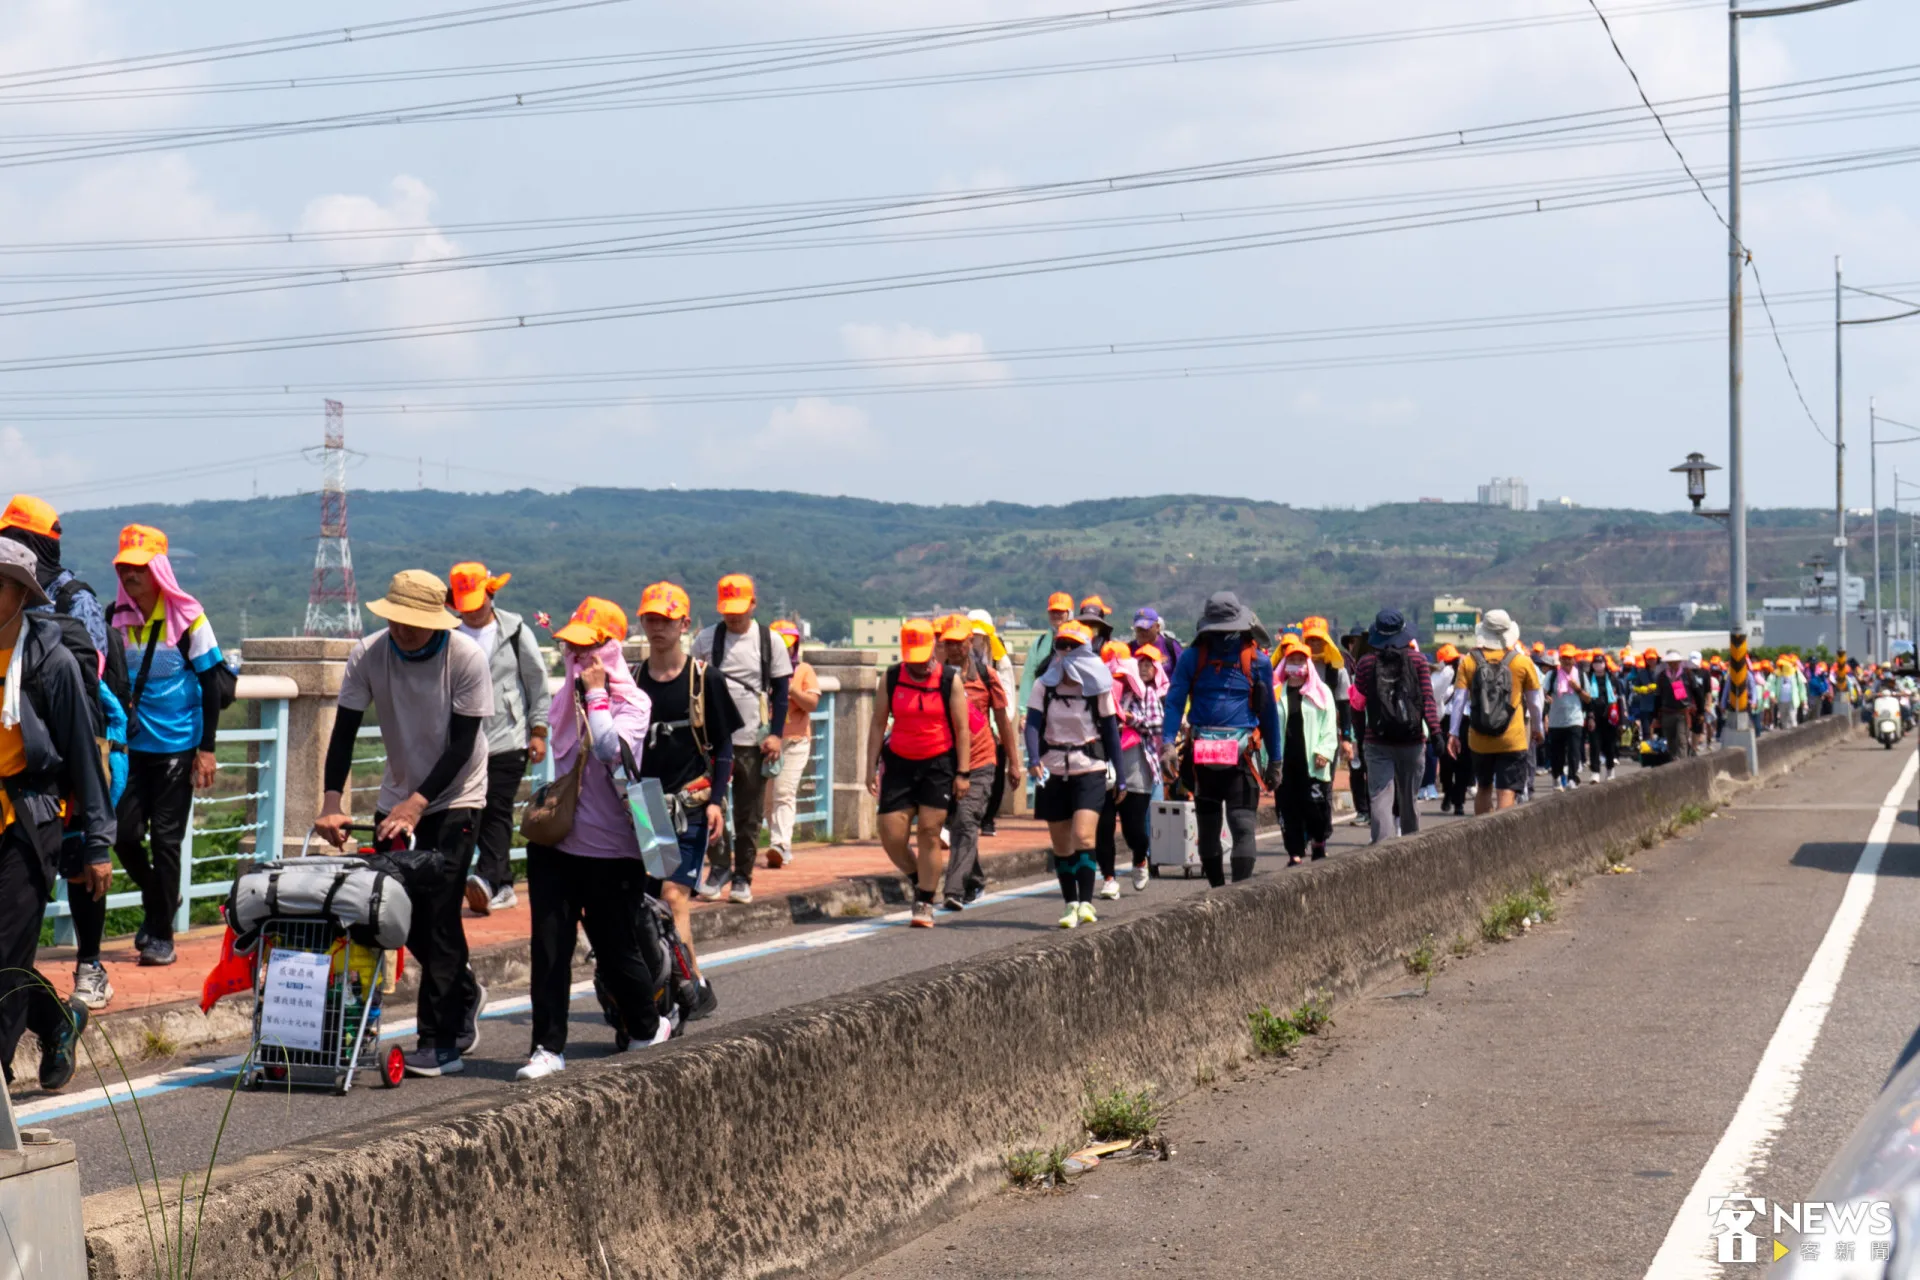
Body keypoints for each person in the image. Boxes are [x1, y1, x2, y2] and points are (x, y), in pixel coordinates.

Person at [315, 570, 492, 1078]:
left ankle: (439, 1042)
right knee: (393, 910)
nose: (404, 631)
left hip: (457, 793)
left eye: (415, 623)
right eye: (397, 620)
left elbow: (461, 746)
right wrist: (331, 801)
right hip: (398, 793)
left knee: (438, 912)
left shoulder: (465, 658)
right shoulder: (369, 654)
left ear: (437, 621)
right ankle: (461, 990)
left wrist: (419, 803)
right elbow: (344, 732)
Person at [514, 597, 673, 1081]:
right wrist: (580, 693)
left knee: (614, 946)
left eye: (590, 648)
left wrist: (598, 694)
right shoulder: (566, 696)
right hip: (558, 845)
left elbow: (608, 749)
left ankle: (649, 1025)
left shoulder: (635, 701)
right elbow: (560, 749)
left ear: (613, 649)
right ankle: (547, 1047)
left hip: (612, 849)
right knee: (550, 946)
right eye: (573, 647)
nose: (579, 657)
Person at [1, 495, 128, 1009]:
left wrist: (97, 831)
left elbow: (85, 694)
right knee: (11, 946)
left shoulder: (74, 601)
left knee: (80, 867)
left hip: (57, 770)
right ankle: (52, 1022)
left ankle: (90, 963)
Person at [108, 524, 226, 968]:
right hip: (131, 746)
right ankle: (161, 904)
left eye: (138, 567)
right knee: (121, 833)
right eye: (123, 566)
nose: (129, 574)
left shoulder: (188, 615)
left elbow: (212, 684)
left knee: (167, 842)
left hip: (178, 744)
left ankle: (162, 935)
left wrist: (207, 748)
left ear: (158, 569)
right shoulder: (113, 617)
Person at [632, 582, 736, 1018]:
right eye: (650, 619)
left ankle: (688, 983)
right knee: (650, 899)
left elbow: (725, 745)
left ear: (683, 624)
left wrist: (716, 799)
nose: (657, 627)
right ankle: (672, 981)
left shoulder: (703, 678)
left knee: (675, 895)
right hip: (647, 803)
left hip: (691, 800)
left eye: (665, 620)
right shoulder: (634, 679)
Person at [449, 562, 551, 917]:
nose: (472, 611)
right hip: (463, 740)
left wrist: (538, 731)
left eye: (477, 602)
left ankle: (489, 880)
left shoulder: (515, 630)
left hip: (508, 738)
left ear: (490, 595)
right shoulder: (448, 634)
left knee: (496, 809)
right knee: (466, 812)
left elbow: (536, 683)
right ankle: (499, 882)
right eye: (466, 604)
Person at [1162, 593, 1280, 887]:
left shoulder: (1258, 661)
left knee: (1241, 825)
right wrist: (1167, 744)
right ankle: (1218, 891)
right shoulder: (1192, 657)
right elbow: (1174, 702)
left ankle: (1235, 894)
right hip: (1205, 756)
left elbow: (1268, 715)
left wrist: (1276, 758)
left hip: (1239, 756)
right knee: (1211, 827)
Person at [692, 574, 792, 906]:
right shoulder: (706, 640)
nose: (734, 616)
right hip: (714, 738)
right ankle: (719, 866)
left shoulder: (770, 641)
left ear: (753, 604)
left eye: (739, 609)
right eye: (727, 610)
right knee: (709, 804)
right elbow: (693, 683)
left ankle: (743, 875)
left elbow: (781, 694)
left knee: (748, 814)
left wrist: (777, 734)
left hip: (754, 739)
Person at [866, 619, 970, 928]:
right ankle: (920, 877)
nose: (919, 664)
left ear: (934, 649)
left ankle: (924, 900)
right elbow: (877, 723)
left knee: (929, 831)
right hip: (899, 762)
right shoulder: (892, 677)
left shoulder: (949, 680)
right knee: (890, 833)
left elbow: (963, 729)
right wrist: (870, 764)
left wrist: (963, 772)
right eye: (913, 658)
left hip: (938, 763)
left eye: (924, 656)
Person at [1027, 621, 1122, 926]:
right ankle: (1069, 903)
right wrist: (1033, 758)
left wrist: (1120, 775)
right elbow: (1032, 724)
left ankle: (1086, 902)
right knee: (1061, 844)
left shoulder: (1098, 687)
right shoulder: (1045, 685)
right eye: (1061, 646)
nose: (1066, 652)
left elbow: (1110, 731)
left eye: (1073, 647)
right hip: (1053, 767)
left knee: (1082, 834)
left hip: (1089, 766)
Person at [940, 615, 1018, 910]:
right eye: (949, 643)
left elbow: (1002, 720)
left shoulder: (986, 676)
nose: (955, 648)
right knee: (953, 821)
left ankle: (954, 890)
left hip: (982, 760)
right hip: (947, 763)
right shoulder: (939, 678)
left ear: (969, 642)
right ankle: (974, 880)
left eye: (959, 642)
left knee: (966, 819)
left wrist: (1013, 762)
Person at [1350, 610, 1440, 843]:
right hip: (1412, 740)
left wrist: (1360, 738)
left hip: (1377, 741)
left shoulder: (1366, 663)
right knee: (1409, 800)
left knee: (1380, 797)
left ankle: (1382, 852)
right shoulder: (1418, 661)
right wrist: (1436, 733)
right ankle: (1412, 849)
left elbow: (1357, 705)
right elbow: (1427, 700)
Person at [1448, 609, 1542, 814]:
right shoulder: (1522, 662)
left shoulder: (1469, 661)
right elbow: (1535, 702)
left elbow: (1458, 701)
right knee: (1506, 789)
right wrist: (1538, 727)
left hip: (1479, 737)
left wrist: (1453, 732)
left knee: (1483, 787)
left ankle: (1483, 837)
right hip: (1512, 738)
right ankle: (1502, 836)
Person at [1095, 640, 1157, 897]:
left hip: (1135, 767)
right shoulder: (1097, 695)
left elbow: (1156, 724)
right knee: (1103, 826)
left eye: (1121, 674)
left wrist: (1130, 720)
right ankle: (1108, 877)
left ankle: (1140, 858)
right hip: (1104, 766)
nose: (1117, 679)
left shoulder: (1145, 693)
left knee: (1134, 830)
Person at [1270, 634, 1337, 866]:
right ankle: (1294, 851)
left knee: (1315, 806)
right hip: (1286, 759)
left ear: (1308, 664)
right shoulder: (1277, 692)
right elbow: (1268, 726)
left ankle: (1319, 841)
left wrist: (1325, 751)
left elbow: (1329, 725)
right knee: (1287, 807)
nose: (1296, 665)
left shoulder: (1321, 692)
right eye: (1292, 660)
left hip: (1312, 759)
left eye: (1300, 660)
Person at [762, 619, 819, 871]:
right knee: (767, 800)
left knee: (784, 793)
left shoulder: (804, 670)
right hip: (765, 742)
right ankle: (777, 843)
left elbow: (812, 704)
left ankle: (781, 844)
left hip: (794, 742)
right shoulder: (761, 672)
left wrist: (793, 690)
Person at [967, 609, 1017, 837]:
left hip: (992, 722)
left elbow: (1006, 695)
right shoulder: (960, 656)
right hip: (966, 722)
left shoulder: (999, 659)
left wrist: (998, 727)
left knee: (996, 769)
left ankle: (988, 818)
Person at [1430, 643, 1472, 815]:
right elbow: (1434, 696)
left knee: (1464, 762)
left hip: (1465, 720)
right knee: (1446, 763)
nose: (1453, 664)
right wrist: (1445, 677)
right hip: (1445, 721)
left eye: (1454, 660)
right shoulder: (1438, 678)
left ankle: (1459, 801)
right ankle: (1448, 791)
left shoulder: (1467, 675)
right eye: (1449, 662)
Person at [1542, 644, 1591, 790]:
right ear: (1560, 660)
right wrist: (1546, 698)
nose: (1567, 661)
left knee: (1574, 751)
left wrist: (1577, 689)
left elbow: (1588, 699)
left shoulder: (1581, 676)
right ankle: (1557, 777)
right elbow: (1542, 693)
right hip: (1556, 721)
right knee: (1557, 754)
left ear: (1574, 660)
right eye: (1564, 658)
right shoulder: (1552, 676)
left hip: (1575, 719)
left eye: (1569, 658)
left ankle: (1572, 778)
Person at [1018, 591, 1077, 709]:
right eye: (1052, 612)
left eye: (1060, 612)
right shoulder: (1039, 643)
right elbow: (1029, 676)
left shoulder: (1079, 641)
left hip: (1072, 706)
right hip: (1042, 705)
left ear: (1070, 614)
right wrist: (1024, 710)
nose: (1056, 615)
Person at [1653, 649, 1700, 755]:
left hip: (1682, 713)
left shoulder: (1687, 674)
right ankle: (1673, 764)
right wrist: (1655, 716)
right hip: (1667, 713)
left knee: (1681, 739)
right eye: (1671, 662)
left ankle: (1683, 765)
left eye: (1675, 662)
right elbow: (1657, 697)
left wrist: (1700, 712)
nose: (1673, 664)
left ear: (1680, 662)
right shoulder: (1661, 677)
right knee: (1670, 741)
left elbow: (1697, 693)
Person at [1130, 607, 1183, 684]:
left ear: (1157, 627)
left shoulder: (1171, 646)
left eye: (1146, 629)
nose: (1142, 632)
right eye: (1139, 629)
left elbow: (1184, 674)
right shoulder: (1129, 649)